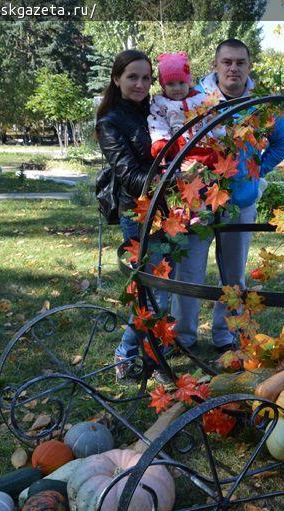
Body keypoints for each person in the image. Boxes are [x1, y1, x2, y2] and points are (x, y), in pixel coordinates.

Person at [172, 39, 284, 353]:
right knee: (189, 272)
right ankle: (183, 337)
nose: (233, 68)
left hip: (240, 202)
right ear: (215, 65)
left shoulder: (261, 105)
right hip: (198, 201)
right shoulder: (197, 99)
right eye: (227, 62)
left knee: (233, 275)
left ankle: (224, 335)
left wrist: (257, 169)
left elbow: (283, 140)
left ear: (248, 67)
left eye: (240, 62)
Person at [95, 49, 173, 382]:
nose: (140, 84)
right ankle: (136, 357)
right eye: (132, 77)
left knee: (158, 290)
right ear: (117, 79)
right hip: (138, 213)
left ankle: (142, 353)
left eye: (146, 78)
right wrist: (174, 177)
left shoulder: (156, 110)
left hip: (167, 210)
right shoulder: (109, 123)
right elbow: (129, 176)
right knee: (154, 292)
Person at [147, 52, 220, 166]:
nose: (177, 88)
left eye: (182, 83)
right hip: (180, 153)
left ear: (188, 82)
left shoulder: (201, 98)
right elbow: (157, 123)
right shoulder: (160, 104)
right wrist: (161, 142)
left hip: (205, 148)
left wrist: (218, 131)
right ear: (163, 85)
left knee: (214, 171)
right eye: (171, 84)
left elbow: (212, 120)